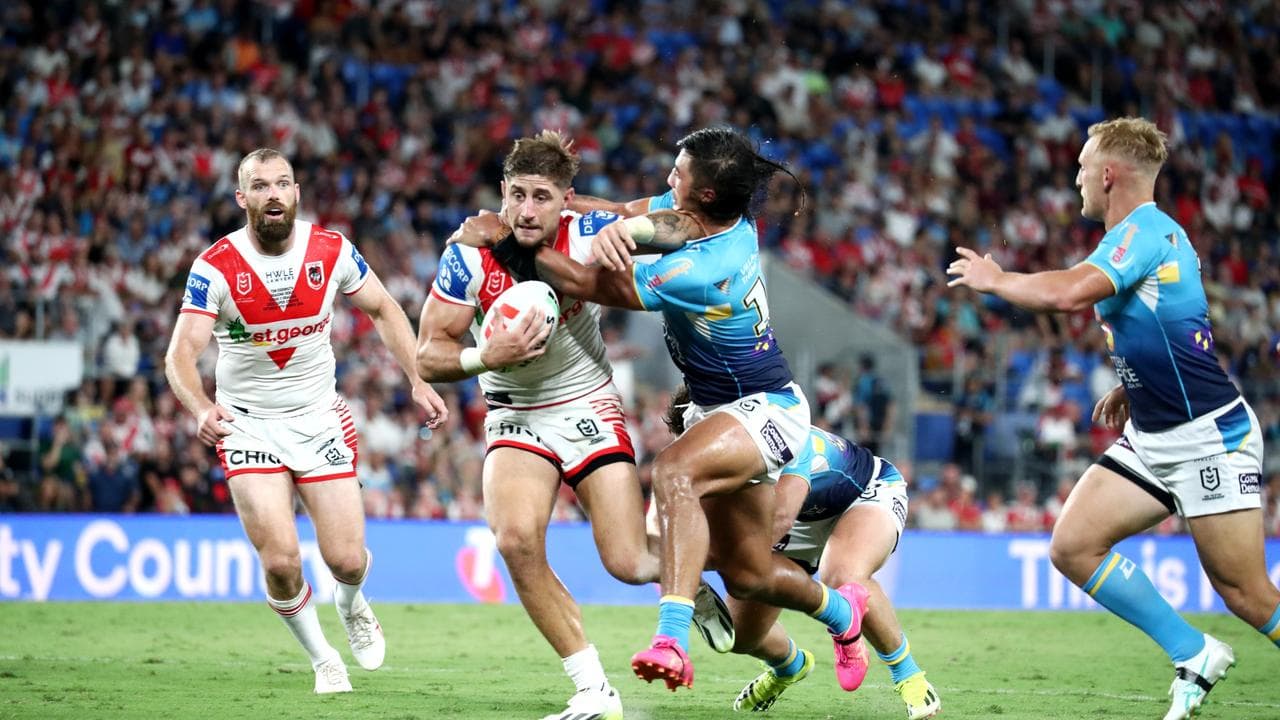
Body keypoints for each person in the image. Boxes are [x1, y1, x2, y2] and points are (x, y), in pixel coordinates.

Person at [456, 126, 868, 693]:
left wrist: (506, 240)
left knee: (673, 471)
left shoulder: (705, 267)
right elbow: (624, 209)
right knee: (746, 572)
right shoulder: (703, 215)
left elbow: (594, 284)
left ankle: (670, 638)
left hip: (765, 408)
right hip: (714, 410)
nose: (669, 178)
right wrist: (570, 208)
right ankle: (844, 617)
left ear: (701, 195)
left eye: (678, 173)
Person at [947, 117, 1279, 720]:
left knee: (1247, 595)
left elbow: (1072, 292)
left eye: (1080, 167)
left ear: (1107, 174)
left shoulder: (1144, 231)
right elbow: (1175, 326)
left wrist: (998, 281)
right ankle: (1193, 652)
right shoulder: (1153, 236)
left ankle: (1203, 648)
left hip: (1209, 438)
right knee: (1073, 545)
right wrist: (1132, 385)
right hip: (1153, 433)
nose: (1074, 179)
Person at [417, 130, 730, 720]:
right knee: (513, 538)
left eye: (543, 196)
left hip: (586, 403)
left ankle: (701, 580)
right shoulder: (466, 254)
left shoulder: (585, 235)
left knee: (630, 562)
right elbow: (428, 354)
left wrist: (617, 222)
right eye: (517, 195)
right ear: (502, 195)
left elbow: (683, 226)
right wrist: (487, 356)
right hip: (514, 412)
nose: (527, 210)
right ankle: (592, 687)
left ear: (565, 199)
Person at [165, 148, 448, 694]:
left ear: (297, 192)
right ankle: (324, 660)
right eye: (261, 186)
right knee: (281, 562)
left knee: (345, 559)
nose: (274, 194)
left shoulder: (331, 249)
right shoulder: (216, 266)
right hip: (247, 425)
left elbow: (385, 308)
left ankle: (351, 601)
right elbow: (181, 353)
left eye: (283, 184)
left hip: (319, 418)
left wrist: (418, 379)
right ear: (242, 198)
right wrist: (202, 407)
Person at [662, 385, 942, 718]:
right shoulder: (707, 465)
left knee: (844, 574)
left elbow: (776, 521)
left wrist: (691, 567)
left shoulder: (775, 434)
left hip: (863, 494)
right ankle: (789, 666)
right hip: (794, 521)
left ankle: (910, 677)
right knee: (740, 636)